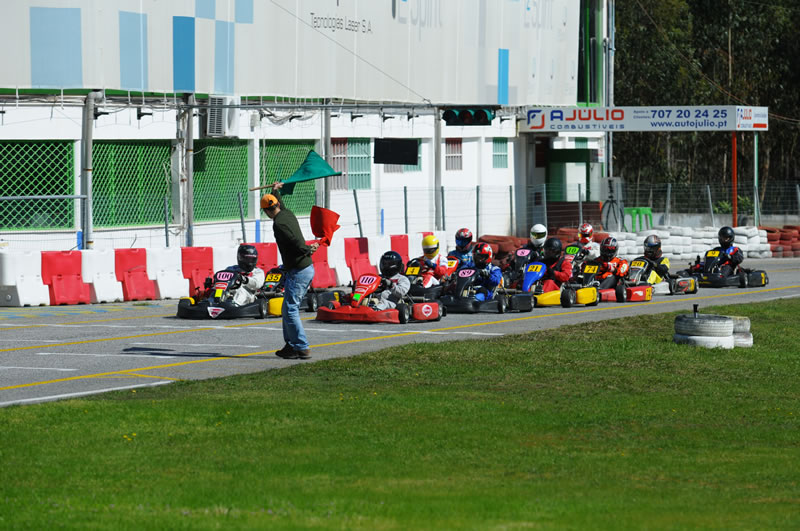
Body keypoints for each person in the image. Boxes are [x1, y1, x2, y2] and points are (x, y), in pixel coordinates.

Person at [262, 182, 319, 360]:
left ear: (266, 211)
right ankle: (291, 345)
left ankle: (301, 347)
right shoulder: (286, 213)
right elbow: (278, 204)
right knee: (288, 309)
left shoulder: (278, 224)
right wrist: (275, 190)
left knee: (291, 309)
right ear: (278, 204)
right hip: (304, 268)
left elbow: (294, 240)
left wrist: (307, 249)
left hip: (299, 269)